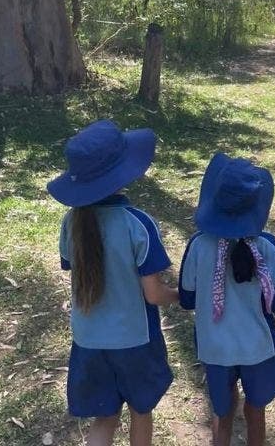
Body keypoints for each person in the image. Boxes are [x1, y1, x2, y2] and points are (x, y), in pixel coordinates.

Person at [47, 119, 178, 446]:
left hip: (88, 339)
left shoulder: (71, 222)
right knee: (140, 410)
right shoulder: (139, 224)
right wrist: (183, 295)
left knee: (104, 417)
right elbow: (153, 294)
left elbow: (71, 268)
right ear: (123, 172)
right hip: (134, 340)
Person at [179, 153, 275, 445]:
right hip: (257, 346)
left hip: (214, 346)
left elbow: (187, 298)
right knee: (256, 409)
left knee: (222, 411)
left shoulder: (198, 245)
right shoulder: (267, 246)